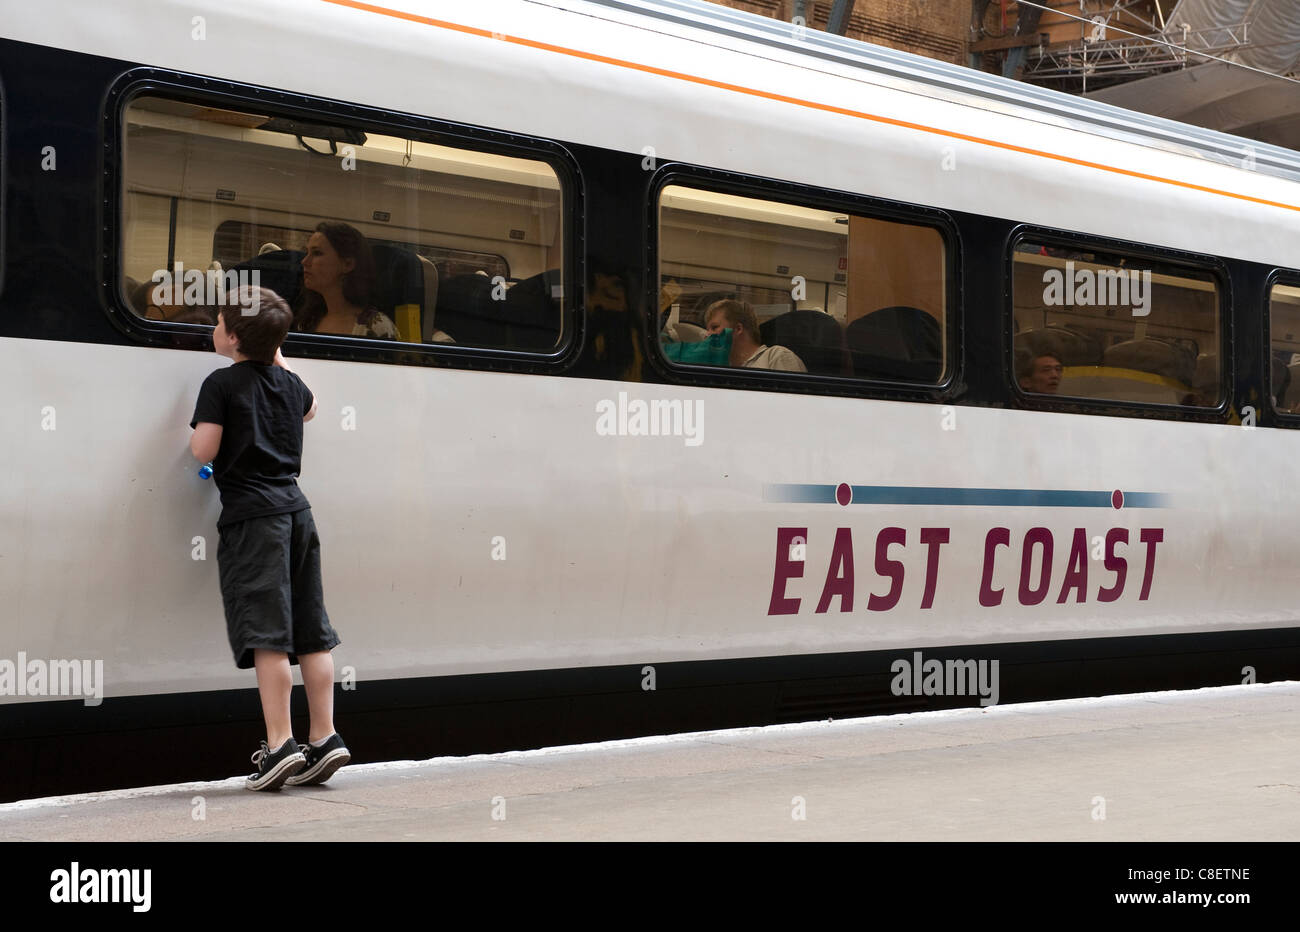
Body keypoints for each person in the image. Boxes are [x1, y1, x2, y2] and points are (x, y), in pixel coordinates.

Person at [190, 286, 350, 790]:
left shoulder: (220, 383)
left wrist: (194, 439)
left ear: (232, 336)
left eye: (218, 322)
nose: (213, 328)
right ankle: (324, 737)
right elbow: (311, 407)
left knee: (268, 637)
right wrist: (276, 356)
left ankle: (279, 745)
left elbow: (202, 450)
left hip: (252, 521)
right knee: (312, 630)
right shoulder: (290, 384)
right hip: (297, 513)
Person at [295, 221, 399, 339]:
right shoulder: (309, 321)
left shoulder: (376, 327)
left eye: (317, 253)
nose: (304, 261)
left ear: (347, 264)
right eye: (306, 252)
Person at [704, 299, 807, 372]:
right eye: (707, 329)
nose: (707, 335)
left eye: (714, 327)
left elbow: (794, 401)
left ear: (738, 329)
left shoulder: (776, 357)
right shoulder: (722, 367)